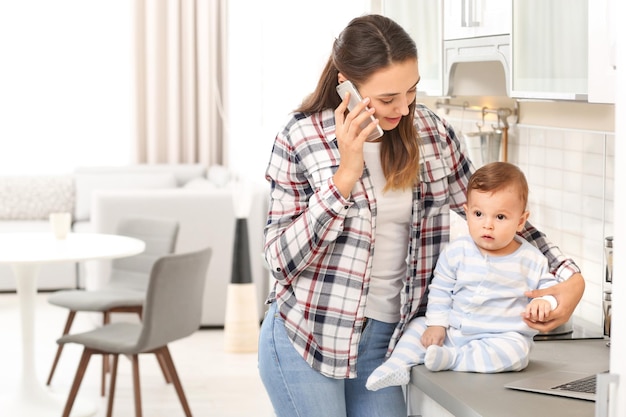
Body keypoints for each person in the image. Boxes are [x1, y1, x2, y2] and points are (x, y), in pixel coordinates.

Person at [258, 14, 585, 417]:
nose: (404, 107)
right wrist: (345, 175)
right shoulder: (301, 137)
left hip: (387, 341)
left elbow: (496, 214)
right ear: (346, 84)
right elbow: (279, 259)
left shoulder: (432, 134)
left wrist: (571, 276)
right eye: (386, 98)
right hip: (308, 335)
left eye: (410, 91)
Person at [366, 162, 559, 391]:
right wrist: (437, 324)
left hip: (499, 337)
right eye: (479, 214)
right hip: (453, 331)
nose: (487, 225)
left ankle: (452, 359)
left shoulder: (531, 259)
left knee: (516, 354)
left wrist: (544, 302)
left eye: (500, 217)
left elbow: (550, 287)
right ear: (466, 213)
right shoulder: (457, 251)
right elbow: (440, 290)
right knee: (417, 327)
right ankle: (395, 365)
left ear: (520, 221)